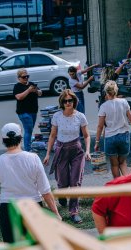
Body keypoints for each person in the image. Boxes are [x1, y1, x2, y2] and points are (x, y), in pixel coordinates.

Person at [0, 123, 61, 243]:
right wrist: (55, 213)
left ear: (3, 140)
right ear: (21, 139)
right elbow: (45, 190)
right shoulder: (33, 158)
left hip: (9, 210)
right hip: (33, 208)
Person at [43, 89, 91, 224]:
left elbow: (86, 136)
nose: (68, 103)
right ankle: (62, 194)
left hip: (76, 150)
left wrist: (87, 151)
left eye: (70, 100)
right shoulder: (57, 116)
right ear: (62, 103)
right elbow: (52, 136)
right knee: (63, 181)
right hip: (61, 149)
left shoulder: (80, 116)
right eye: (65, 101)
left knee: (75, 182)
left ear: (74, 101)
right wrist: (47, 154)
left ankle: (74, 211)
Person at [95, 81, 131, 178]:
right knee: (123, 163)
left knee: (114, 165)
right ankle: (128, 186)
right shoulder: (124, 102)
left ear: (106, 92)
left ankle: (118, 186)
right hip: (124, 136)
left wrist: (97, 142)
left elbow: (100, 126)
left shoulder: (103, 106)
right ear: (116, 91)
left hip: (110, 138)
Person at [13, 68, 42, 151]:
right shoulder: (17, 86)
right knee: (28, 130)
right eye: (24, 77)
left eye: (27, 76)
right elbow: (19, 97)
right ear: (19, 78)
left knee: (30, 130)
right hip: (24, 112)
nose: (26, 78)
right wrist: (28, 90)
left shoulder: (31, 84)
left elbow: (40, 93)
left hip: (33, 111)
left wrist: (36, 91)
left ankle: (28, 147)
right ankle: (27, 149)